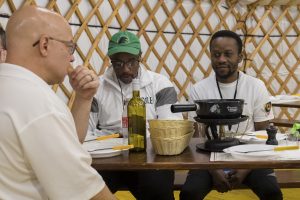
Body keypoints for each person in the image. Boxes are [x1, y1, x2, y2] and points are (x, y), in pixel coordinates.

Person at [0, 5, 115, 200]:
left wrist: (83, 97)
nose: (72, 57)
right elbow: (88, 193)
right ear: (44, 45)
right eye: (70, 47)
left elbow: (68, 143)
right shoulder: (38, 104)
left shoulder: (9, 87)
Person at [180, 30, 283, 200]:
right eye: (216, 54)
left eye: (228, 54)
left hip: (250, 157)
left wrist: (244, 169)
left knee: (272, 193)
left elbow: (263, 135)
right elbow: (195, 138)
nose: (221, 59)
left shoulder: (255, 86)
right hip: (208, 158)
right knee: (189, 193)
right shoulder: (199, 89)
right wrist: (214, 171)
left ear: (240, 57)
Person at [88, 30, 182, 200]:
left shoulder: (160, 84)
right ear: (110, 61)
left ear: (140, 56)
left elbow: (170, 128)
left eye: (131, 62)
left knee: (157, 189)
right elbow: (86, 133)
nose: (125, 69)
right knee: (85, 190)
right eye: (118, 63)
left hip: (150, 157)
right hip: (109, 158)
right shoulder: (96, 87)